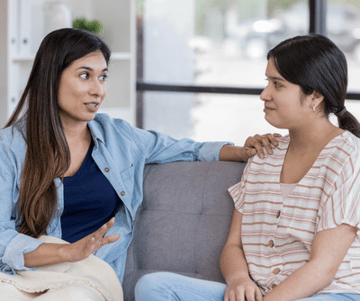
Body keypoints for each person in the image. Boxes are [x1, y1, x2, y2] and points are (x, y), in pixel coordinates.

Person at [0, 28, 276, 300]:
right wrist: (66, 252)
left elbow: (188, 149)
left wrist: (242, 152)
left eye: (103, 77)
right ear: (51, 78)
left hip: (89, 278)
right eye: (85, 76)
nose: (99, 91)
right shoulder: (8, 147)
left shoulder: (119, 137)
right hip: (24, 273)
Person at [134, 34, 360, 301]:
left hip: (329, 294)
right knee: (153, 287)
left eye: (278, 84)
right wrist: (239, 280)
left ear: (315, 96)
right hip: (263, 294)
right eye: (267, 82)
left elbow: (322, 269)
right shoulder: (264, 154)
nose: (264, 94)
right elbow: (233, 245)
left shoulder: (348, 157)